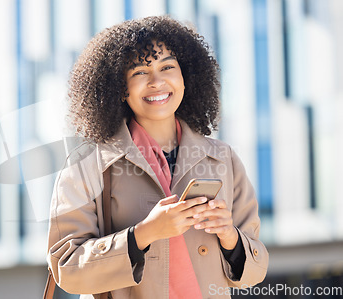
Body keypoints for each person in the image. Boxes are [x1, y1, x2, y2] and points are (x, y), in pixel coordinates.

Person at [47, 16, 268, 298]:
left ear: (186, 77)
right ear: (120, 87)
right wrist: (144, 233)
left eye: (167, 67)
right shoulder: (86, 164)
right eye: (140, 72)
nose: (157, 81)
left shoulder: (223, 158)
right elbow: (66, 268)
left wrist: (230, 237)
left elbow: (256, 269)